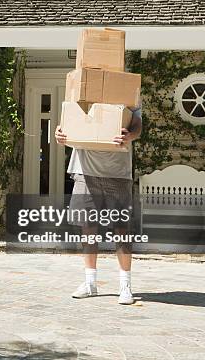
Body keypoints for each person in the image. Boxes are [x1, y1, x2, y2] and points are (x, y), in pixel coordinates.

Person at [55, 106, 142, 305]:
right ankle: (90, 283)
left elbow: (137, 125)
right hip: (85, 171)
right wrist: (60, 132)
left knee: (121, 229)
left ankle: (125, 285)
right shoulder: (82, 89)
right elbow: (69, 123)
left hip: (117, 172)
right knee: (88, 228)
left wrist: (130, 135)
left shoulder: (126, 90)